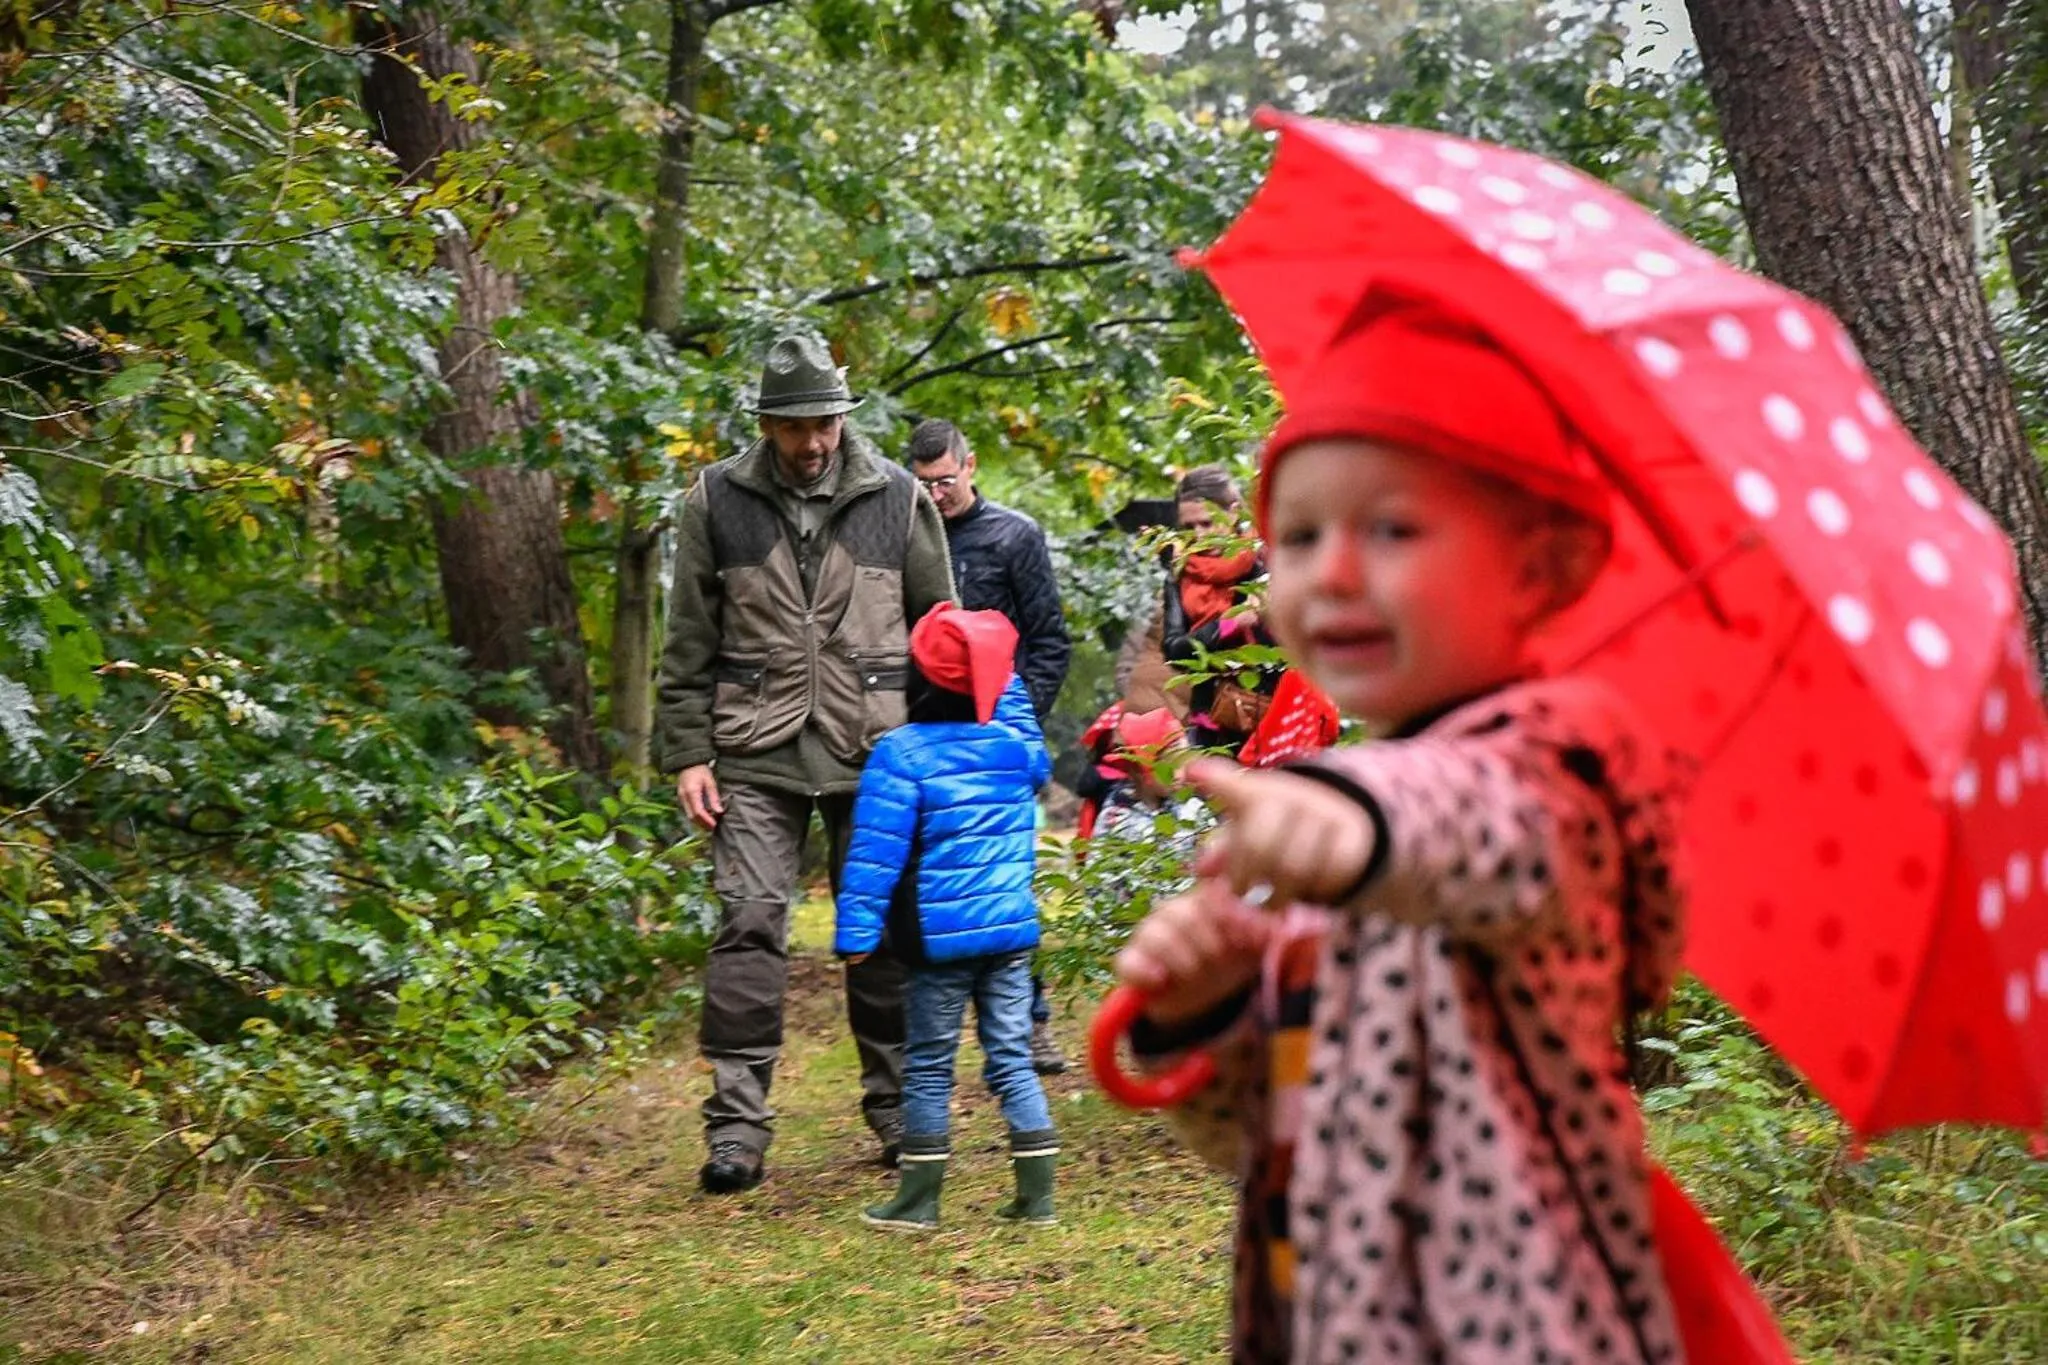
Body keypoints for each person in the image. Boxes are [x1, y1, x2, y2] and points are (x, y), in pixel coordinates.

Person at [1113, 305, 1689, 1362]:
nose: (1330, 572)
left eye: (1389, 529)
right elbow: (1264, 1141)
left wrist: (1358, 823)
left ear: (1538, 564)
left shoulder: (1567, 754)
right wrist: (1209, 1011)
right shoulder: (1345, 802)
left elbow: (1481, 826)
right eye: (1297, 537)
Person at [656, 333, 956, 1195]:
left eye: (825, 422)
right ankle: (737, 1128)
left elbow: (942, 635)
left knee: (888, 931)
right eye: (795, 427)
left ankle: (899, 1108)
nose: (814, 441)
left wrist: (940, 752)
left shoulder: (900, 497)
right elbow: (688, 643)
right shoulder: (715, 498)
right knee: (749, 926)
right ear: (766, 423)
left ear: (842, 417)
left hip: (880, 754)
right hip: (754, 750)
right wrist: (687, 754)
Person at [834, 605, 1056, 1232]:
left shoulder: (901, 754)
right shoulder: (1013, 751)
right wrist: (1000, 678)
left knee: (929, 1063)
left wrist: (857, 933)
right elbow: (1033, 749)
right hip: (1010, 933)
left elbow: (874, 854)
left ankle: (919, 1199)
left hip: (941, 942)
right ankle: (1036, 1198)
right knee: (1011, 1056)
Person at [905, 418, 1074, 1075]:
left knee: (1003, 882)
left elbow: (1050, 639)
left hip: (998, 740)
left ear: (969, 466)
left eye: (945, 481)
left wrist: (1016, 720)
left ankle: (1030, 1026)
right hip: (923, 740)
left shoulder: (1014, 535)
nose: (937, 495)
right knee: (928, 882)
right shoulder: (901, 535)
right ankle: (931, 1038)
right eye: (923, 485)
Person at [1159, 465, 1281, 757]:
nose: (1199, 537)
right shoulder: (1180, 576)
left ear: (1233, 512)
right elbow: (1174, 649)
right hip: (1212, 720)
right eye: (1189, 528)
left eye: (1207, 523)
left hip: (1274, 714)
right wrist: (1232, 623)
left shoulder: (1266, 564)